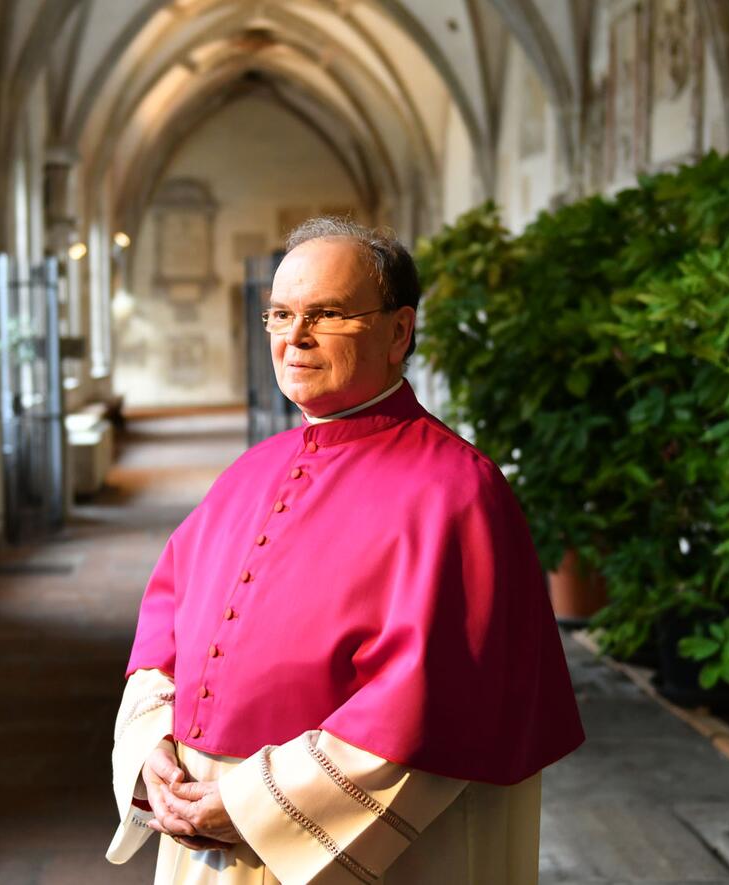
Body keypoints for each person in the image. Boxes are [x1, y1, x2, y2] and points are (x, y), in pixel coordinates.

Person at [106, 217, 584, 884]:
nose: (294, 336)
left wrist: (252, 804)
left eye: (325, 313)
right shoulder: (247, 473)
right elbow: (167, 622)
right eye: (280, 314)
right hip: (200, 822)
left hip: (357, 851)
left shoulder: (458, 493)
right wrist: (151, 747)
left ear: (399, 331)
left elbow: (432, 704)